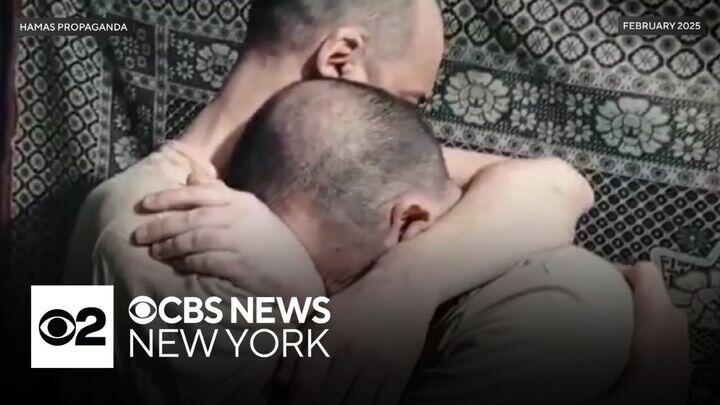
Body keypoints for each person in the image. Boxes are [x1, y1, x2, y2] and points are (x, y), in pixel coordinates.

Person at [63, 0, 688, 403]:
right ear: (341, 60)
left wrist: (399, 291)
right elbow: (62, 350)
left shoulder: (329, 165)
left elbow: (559, 187)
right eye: (410, 100)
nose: (409, 127)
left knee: (578, 293)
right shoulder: (156, 229)